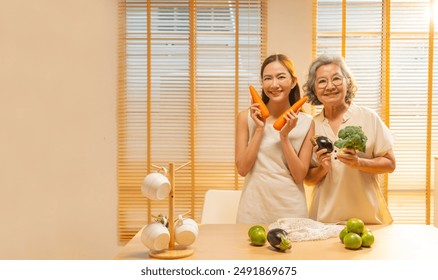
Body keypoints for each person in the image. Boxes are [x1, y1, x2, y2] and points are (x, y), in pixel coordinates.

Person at [303, 54, 395, 225]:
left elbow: (390, 164)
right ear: (314, 89)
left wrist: (359, 163)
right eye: (322, 81)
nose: (330, 86)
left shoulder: (368, 117)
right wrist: (323, 168)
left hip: (366, 218)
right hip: (324, 220)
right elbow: (308, 178)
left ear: (347, 83)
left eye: (336, 79)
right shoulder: (312, 125)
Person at [235, 54, 315, 224]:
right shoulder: (245, 118)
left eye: (281, 77)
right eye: (267, 78)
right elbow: (242, 169)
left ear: (293, 82)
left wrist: (284, 137)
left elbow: (300, 176)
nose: (274, 84)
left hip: (291, 210)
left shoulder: (307, 123)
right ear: (262, 83)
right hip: (253, 208)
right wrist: (259, 129)